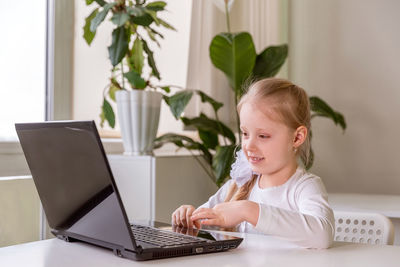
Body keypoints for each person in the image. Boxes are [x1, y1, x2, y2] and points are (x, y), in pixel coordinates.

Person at [171, 78, 335, 249]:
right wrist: (188, 217)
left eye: (263, 136)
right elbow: (204, 222)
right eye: (245, 133)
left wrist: (247, 210)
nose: (248, 145)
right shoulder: (237, 186)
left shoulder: (304, 187)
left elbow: (322, 236)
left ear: (297, 137)